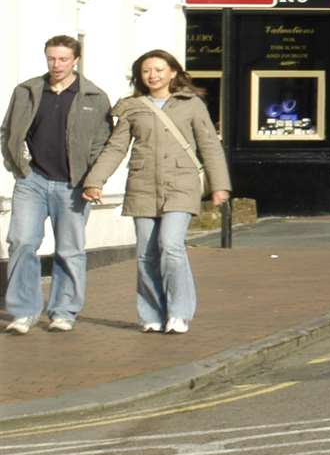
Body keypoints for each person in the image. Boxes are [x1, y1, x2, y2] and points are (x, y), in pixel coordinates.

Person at [79, 51, 231, 334]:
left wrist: (219, 185)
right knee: (146, 254)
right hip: (143, 186)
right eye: (147, 70)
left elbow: (209, 145)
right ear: (140, 75)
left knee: (171, 245)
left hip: (181, 185)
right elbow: (116, 148)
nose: (153, 75)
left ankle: (179, 313)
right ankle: (151, 314)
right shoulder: (131, 107)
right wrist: (95, 181)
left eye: (159, 69)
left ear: (173, 72)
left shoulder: (191, 104)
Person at [4, 35, 114, 335]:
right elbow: (9, 132)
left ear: (75, 60)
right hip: (33, 181)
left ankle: (63, 311)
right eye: (52, 58)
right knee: (22, 242)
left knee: (69, 249)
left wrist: (93, 180)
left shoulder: (94, 96)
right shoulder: (27, 91)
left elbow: (103, 144)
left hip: (74, 185)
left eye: (63, 59)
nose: (57, 64)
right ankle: (23, 312)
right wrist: (19, 167)